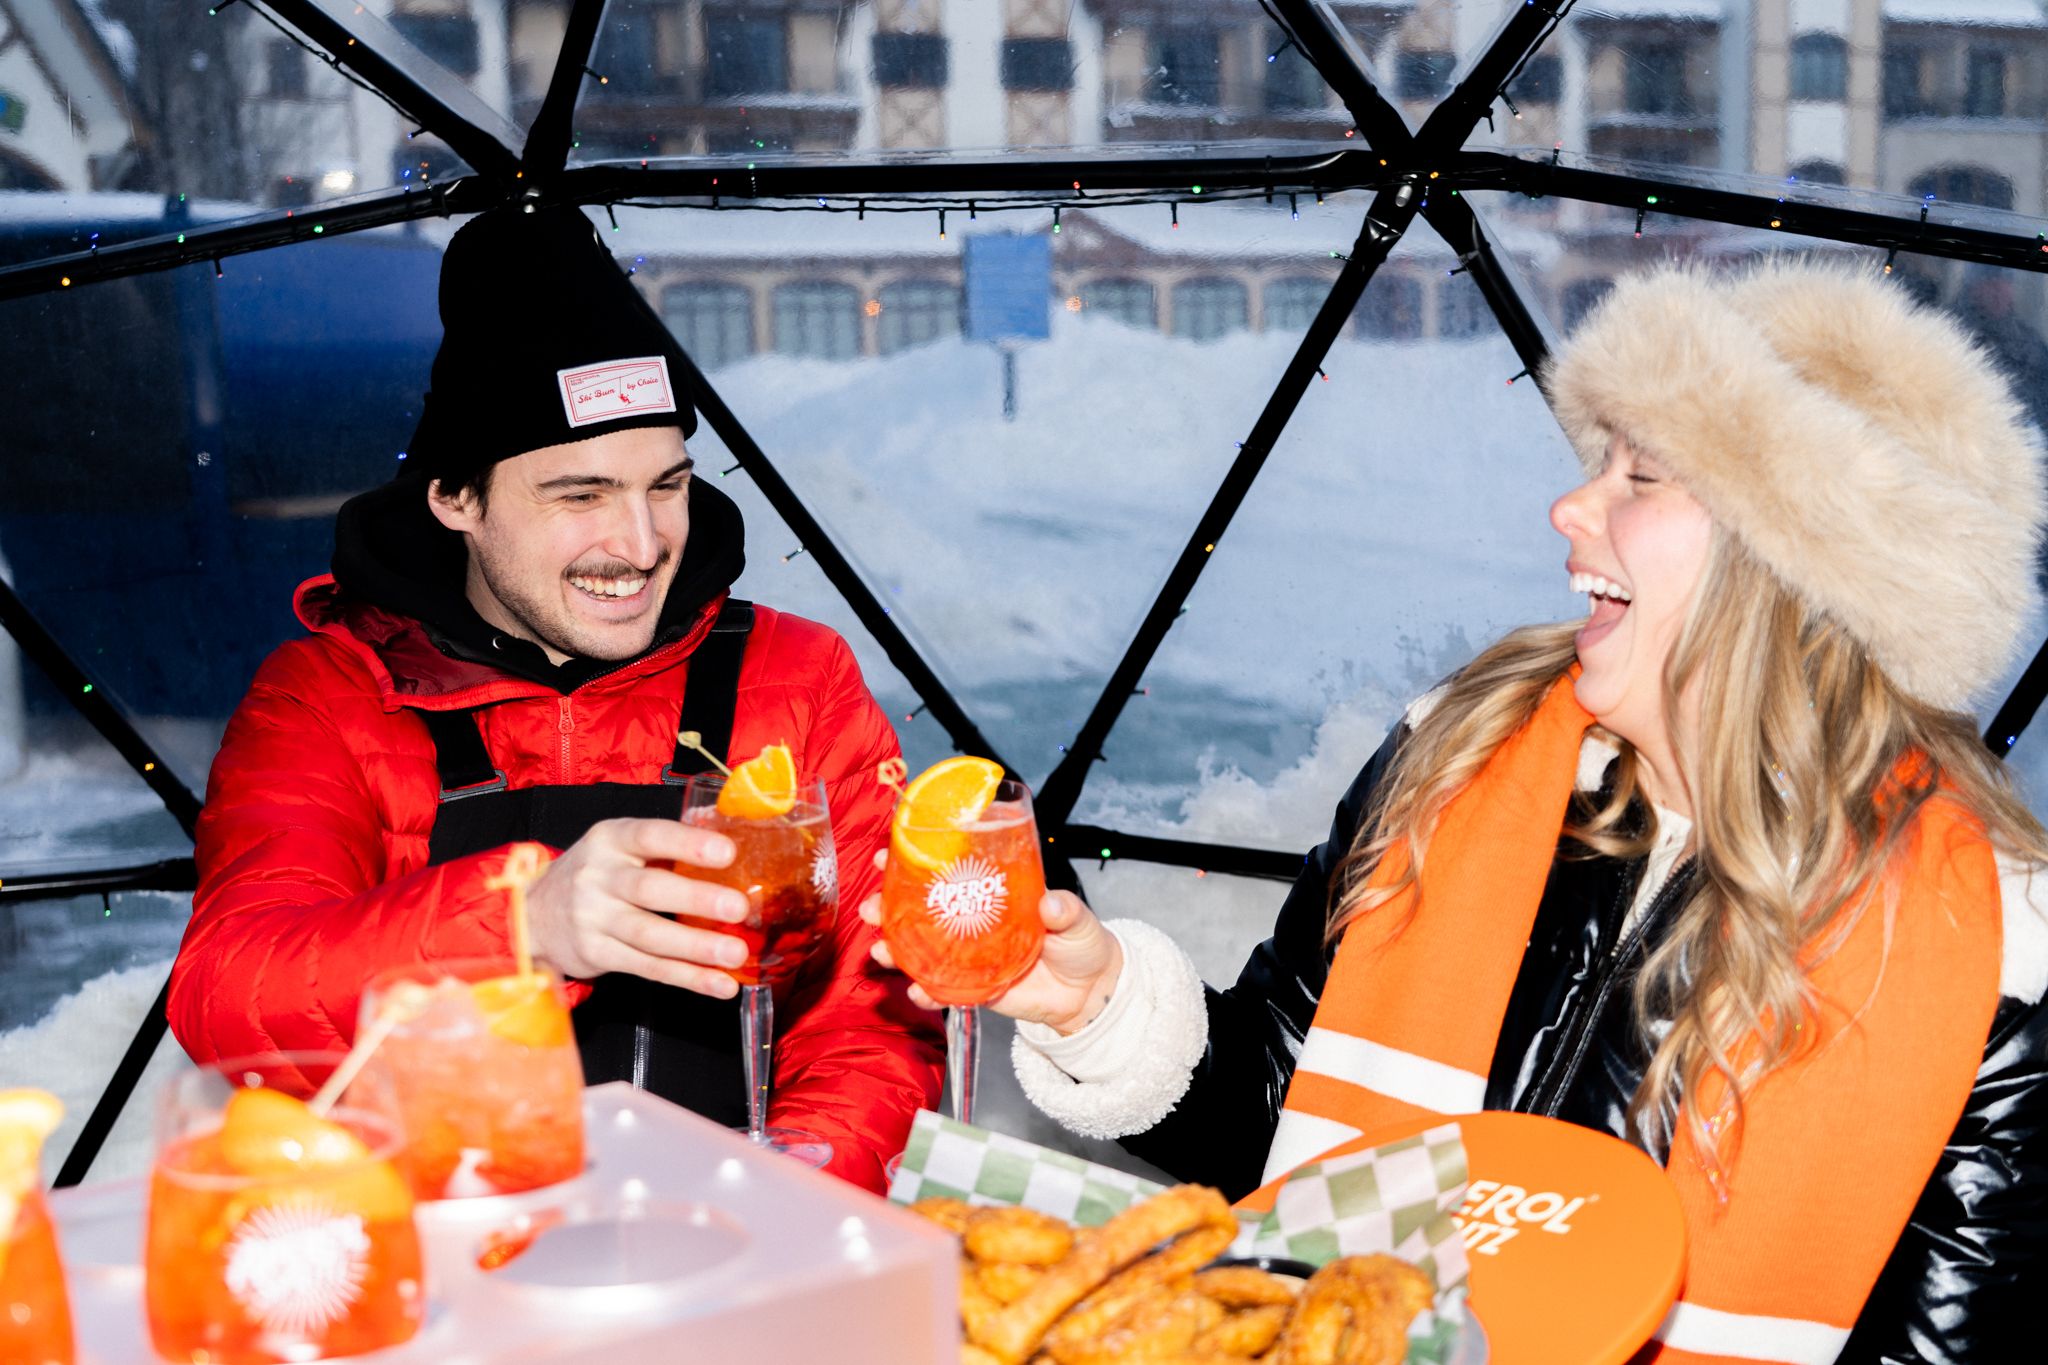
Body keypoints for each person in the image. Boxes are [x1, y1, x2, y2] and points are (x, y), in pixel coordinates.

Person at [863, 258, 2048, 1358]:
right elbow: (1279, 1153)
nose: (1568, 510)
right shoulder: (1461, 750)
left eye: (1638, 476)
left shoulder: (1987, 953)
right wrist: (1102, 1008)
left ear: (1794, 571)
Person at [171, 203, 941, 1193]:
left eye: (664, 484)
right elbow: (230, 998)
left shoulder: (793, 677)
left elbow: (869, 1013)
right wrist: (523, 927)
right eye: (580, 495)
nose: (639, 542)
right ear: (455, 498)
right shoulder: (327, 695)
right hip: (439, 1267)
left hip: (732, 1243)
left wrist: (783, 1200)